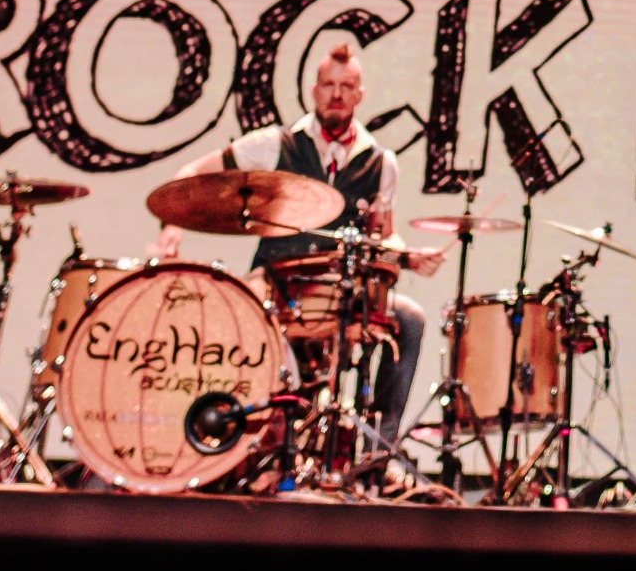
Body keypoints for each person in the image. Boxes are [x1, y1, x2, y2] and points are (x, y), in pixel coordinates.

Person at [152, 41, 444, 434]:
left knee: (409, 318)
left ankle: (381, 449)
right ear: (314, 91)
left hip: (340, 289)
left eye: (346, 86)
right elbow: (193, 174)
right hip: (277, 280)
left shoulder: (380, 162)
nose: (336, 94)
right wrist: (173, 225)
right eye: (328, 84)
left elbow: (383, 238)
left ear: (360, 94)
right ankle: (249, 433)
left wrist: (408, 256)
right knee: (238, 311)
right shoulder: (274, 144)